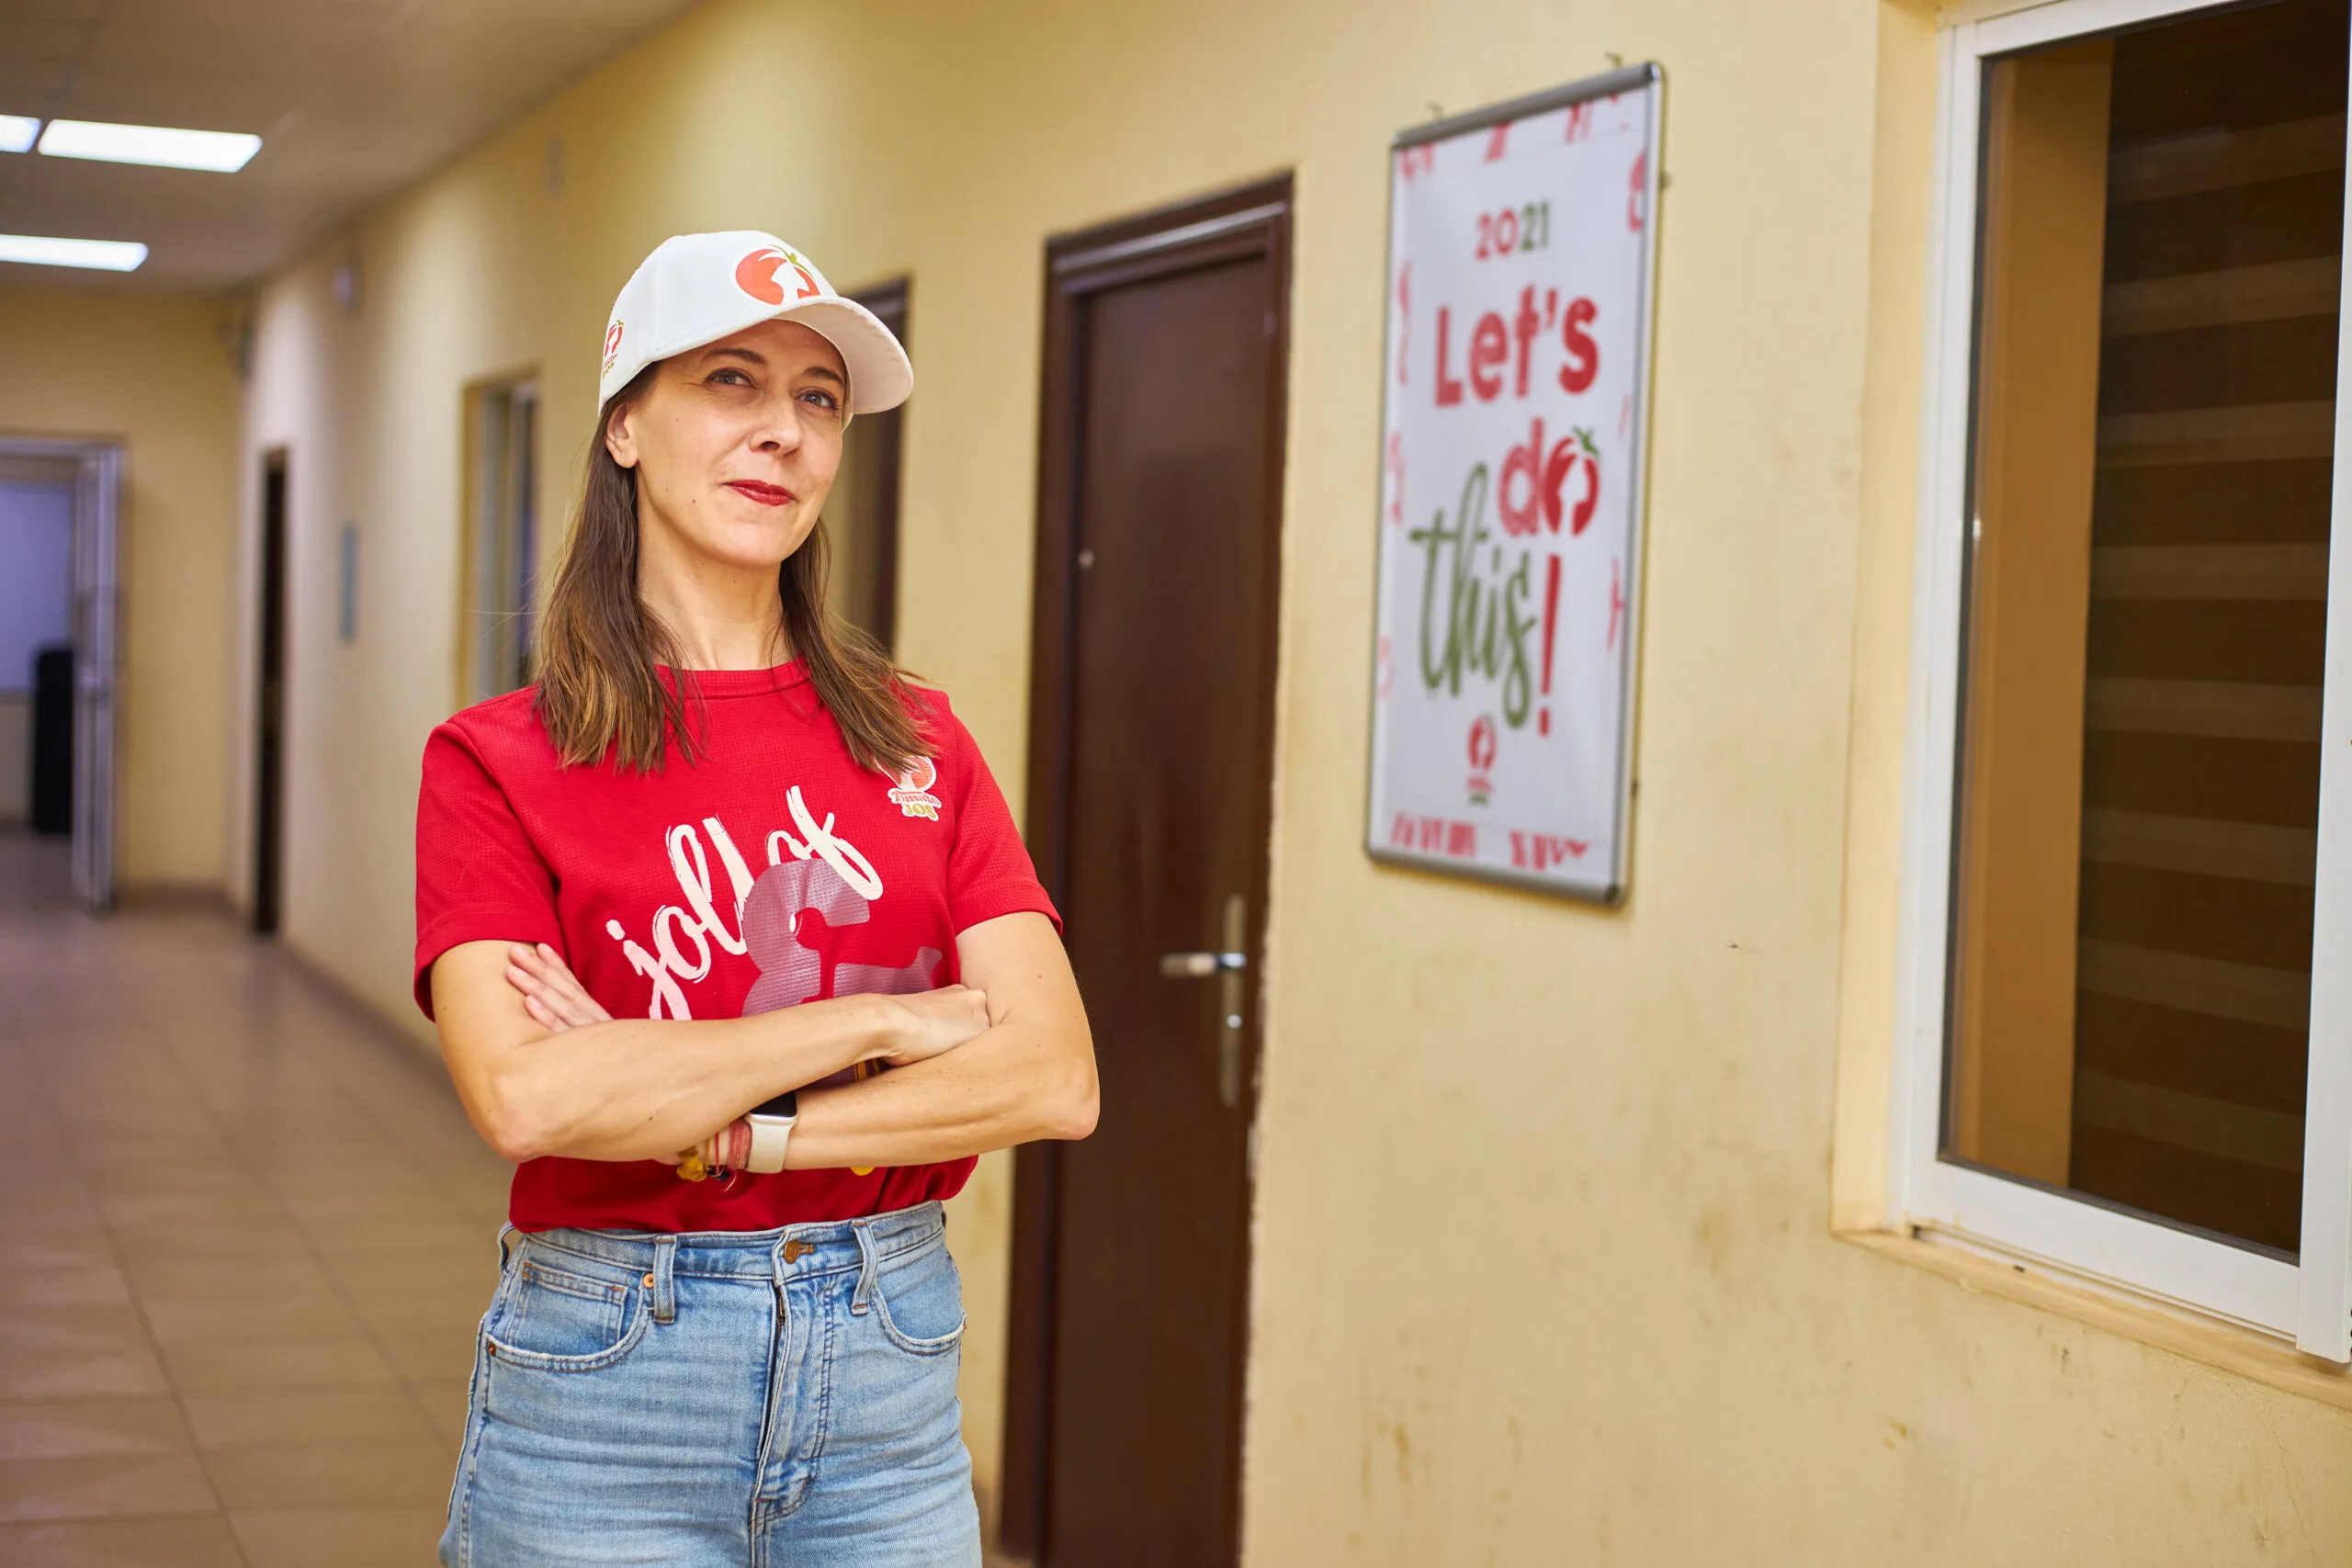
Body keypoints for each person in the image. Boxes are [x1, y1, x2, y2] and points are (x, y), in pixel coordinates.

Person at [413, 230, 1097, 1567]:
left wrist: (718, 1124)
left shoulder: (919, 743)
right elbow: (528, 1099)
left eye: (818, 398)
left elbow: (1054, 1077)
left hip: (889, 1366)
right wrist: (887, 1025)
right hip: (610, 1376)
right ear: (625, 426)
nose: (783, 430)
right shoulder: (499, 758)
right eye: (732, 381)